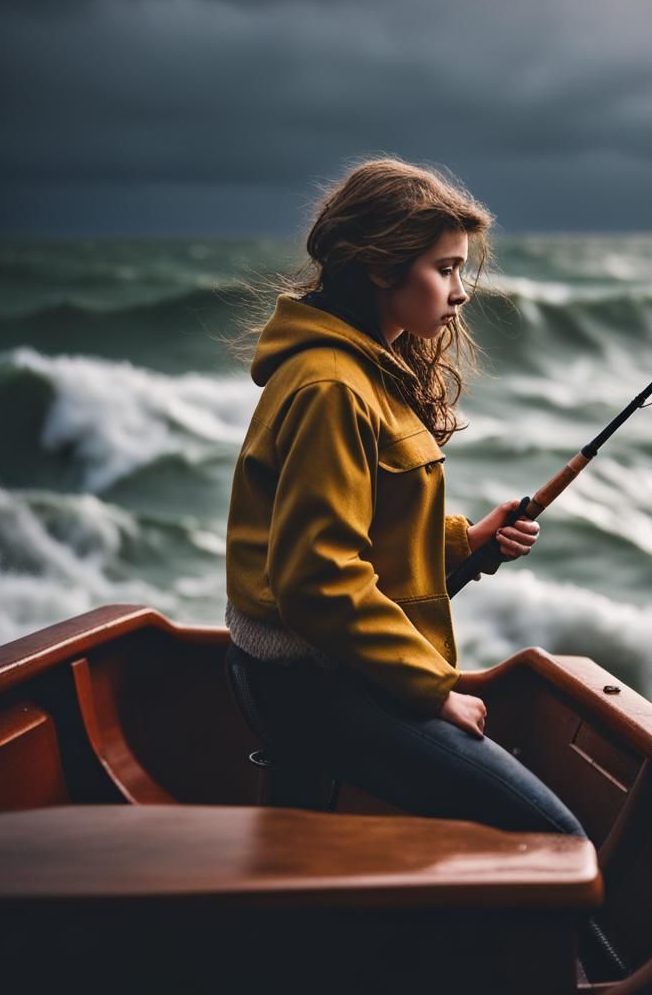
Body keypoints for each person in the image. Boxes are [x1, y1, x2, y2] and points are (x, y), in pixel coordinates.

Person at [224, 156, 588, 837]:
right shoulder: (332, 387)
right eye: (445, 268)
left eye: (460, 269)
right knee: (551, 837)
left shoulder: (360, 370)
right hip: (312, 688)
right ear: (381, 267)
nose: (461, 291)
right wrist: (432, 691)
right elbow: (317, 579)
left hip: (323, 671)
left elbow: (363, 529)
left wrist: (466, 543)